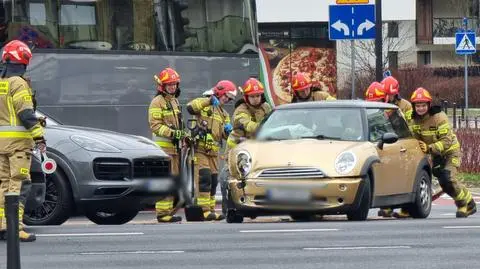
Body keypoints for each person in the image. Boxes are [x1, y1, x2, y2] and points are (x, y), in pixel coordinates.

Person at [405, 87, 476, 218]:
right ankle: (470, 202)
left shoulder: (439, 117)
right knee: (444, 182)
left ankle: (464, 205)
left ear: (429, 105)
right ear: (414, 106)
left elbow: (447, 140)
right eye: (417, 105)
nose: (420, 108)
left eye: (423, 105)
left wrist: (429, 148)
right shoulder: (412, 120)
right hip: (436, 155)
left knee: (448, 178)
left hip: (450, 152)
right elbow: (414, 138)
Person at [0, 40, 46, 242]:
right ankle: (15, 228)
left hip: (2, 145)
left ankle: (2, 225)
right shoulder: (18, 83)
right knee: (20, 184)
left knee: (3, 185)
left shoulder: (2, 83)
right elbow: (25, 114)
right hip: (18, 146)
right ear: (24, 60)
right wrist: (39, 135)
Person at [186, 80, 236, 221]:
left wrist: (229, 131)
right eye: (226, 96)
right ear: (219, 91)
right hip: (200, 149)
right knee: (204, 177)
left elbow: (225, 136)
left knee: (213, 181)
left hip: (213, 152)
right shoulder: (204, 103)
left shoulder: (224, 114)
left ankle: (211, 209)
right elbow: (190, 108)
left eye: (229, 98)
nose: (226, 100)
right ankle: (204, 211)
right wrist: (208, 101)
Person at [149, 67, 184, 223]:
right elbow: (155, 125)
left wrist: (183, 135)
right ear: (162, 86)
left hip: (174, 149)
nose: (172, 87)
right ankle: (163, 213)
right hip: (163, 150)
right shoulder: (157, 102)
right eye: (169, 85)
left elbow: (179, 124)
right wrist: (172, 133)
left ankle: (168, 211)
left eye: (174, 84)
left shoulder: (174, 101)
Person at [226, 78, 272, 152]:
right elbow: (248, 125)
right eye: (252, 96)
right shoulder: (241, 110)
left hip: (255, 147)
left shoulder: (266, 107)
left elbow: (272, 121)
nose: (255, 99)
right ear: (246, 97)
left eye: (258, 96)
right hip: (237, 149)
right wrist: (265, 128)